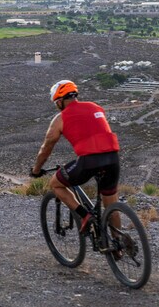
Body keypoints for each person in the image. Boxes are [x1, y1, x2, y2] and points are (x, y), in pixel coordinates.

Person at [31, 80, 120, 233]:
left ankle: (84, 215)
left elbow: (45, 149)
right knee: (111, 204)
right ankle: (119, 243)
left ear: (59, 101)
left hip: (89, 161)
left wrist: (36, 170)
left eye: (55, 103)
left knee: (56, 184)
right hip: (113, 158)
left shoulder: (60, 119)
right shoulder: (95, 107)